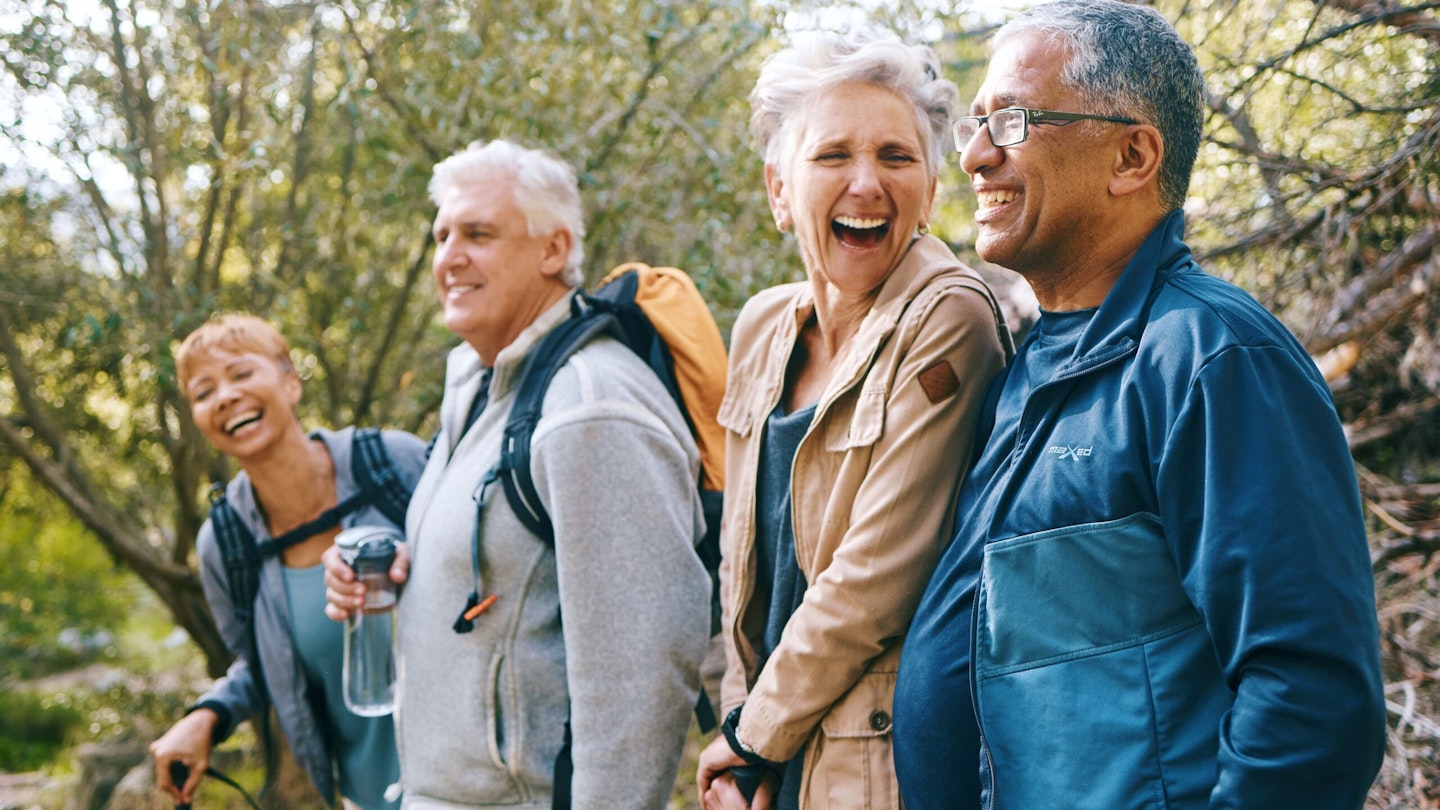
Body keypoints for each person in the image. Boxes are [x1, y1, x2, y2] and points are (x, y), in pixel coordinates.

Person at [892, 2, 1388, 808]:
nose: (977, 156)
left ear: (1131, 156)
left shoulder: (1212, 358)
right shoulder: (1033, 365)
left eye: (1013, 120)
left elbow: (1314, 700)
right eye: (976, 123)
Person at [323, 139, 711, 809]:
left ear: (553, 250)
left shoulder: (589, 405)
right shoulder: (484, 388)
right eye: (442, 236)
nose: (449, 258)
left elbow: (642, 670)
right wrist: (414, 574)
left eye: (478, 234)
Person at [694, 30, 1011, 810]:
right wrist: (745, 742)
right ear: (778, 189)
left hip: (880, 767)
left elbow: (876, 578)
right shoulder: (763, 327)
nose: (867, 184)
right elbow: (742, 572)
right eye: (833, 156)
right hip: (773, 749)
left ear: (932, 191)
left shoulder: (950, 318)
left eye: (897, 157)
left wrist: (749, 737)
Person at [149, 314, 428, 810]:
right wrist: (208, 715)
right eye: (204, 391)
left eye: (240, 374)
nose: (226, 396)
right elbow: (263, 663)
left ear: (290, 384)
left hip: (485, 783)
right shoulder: (226, 542)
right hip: (368, 798)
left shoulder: (392, 463)